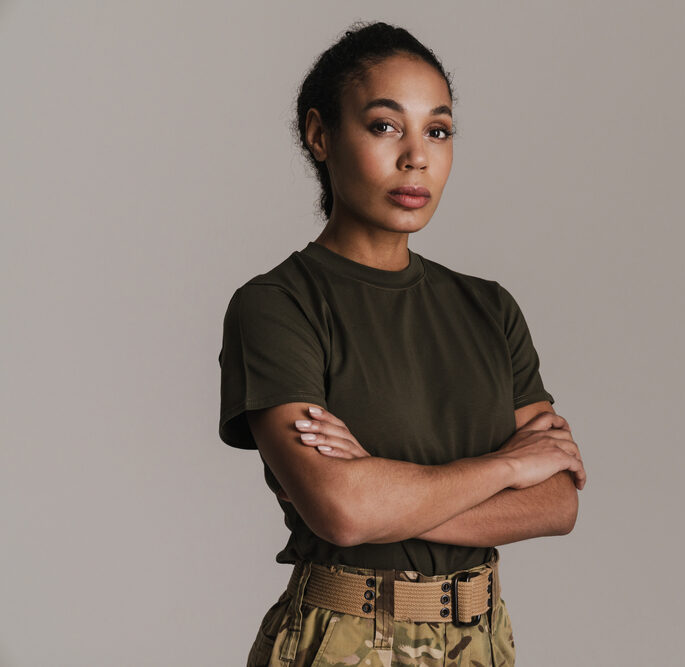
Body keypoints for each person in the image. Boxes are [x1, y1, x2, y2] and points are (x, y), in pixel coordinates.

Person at [217, 20, 586, 667]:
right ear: (320, 134)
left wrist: (387, 490)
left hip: (482, 640)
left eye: (437, 130)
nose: (416, 155)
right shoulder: (278, 304)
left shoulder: (489, 308)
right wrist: (504, 468)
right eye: (386, 125)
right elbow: (343, 510)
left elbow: (556, 501)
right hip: (343, 639)